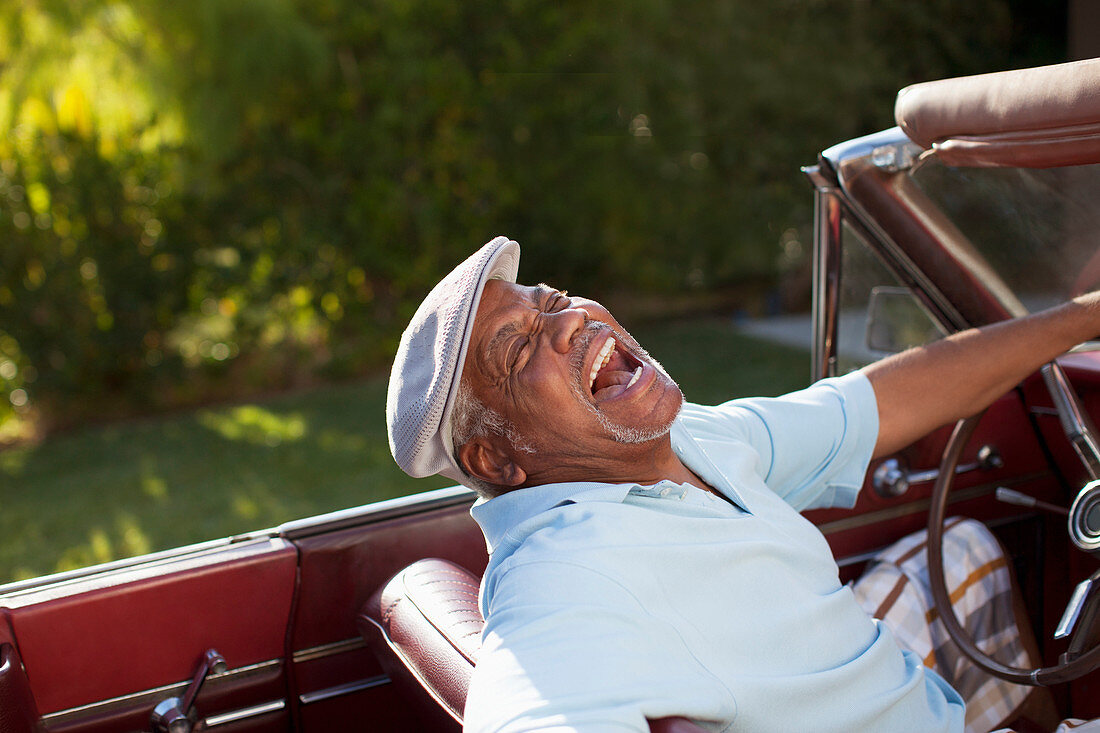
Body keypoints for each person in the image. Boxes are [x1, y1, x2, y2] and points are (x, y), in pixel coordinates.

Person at [386, 236, 1100, 732]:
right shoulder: (567, 581)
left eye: (555, 301)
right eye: (519, 346)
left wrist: (1084, 315)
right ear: (496, 461)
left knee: (962, 550)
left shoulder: (689, 437)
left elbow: (879, 399)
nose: (571, 322)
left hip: (875, 693)